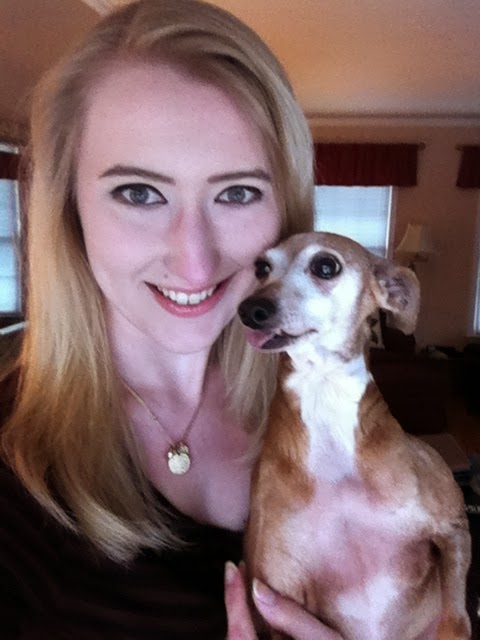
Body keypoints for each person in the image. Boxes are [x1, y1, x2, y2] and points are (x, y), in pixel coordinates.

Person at [0, 1, 342, 638]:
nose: (195, 261)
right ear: (69, 208)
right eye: (139, 193)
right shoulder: (10, 460)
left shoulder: (334, 411)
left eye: (237, 192)